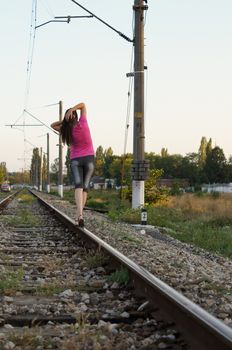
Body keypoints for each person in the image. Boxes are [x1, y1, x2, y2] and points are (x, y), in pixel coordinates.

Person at [51, 102, 95, 227]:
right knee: (85, 188)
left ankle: (79, 215)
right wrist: (73, 110)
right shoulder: (83, 122)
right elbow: (83, 105)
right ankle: (80, 214)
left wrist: (65, 120)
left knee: (78, 186)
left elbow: (53, 125)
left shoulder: (65, 129)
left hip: (76, 159)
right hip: (89, 159)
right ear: (76, 116)